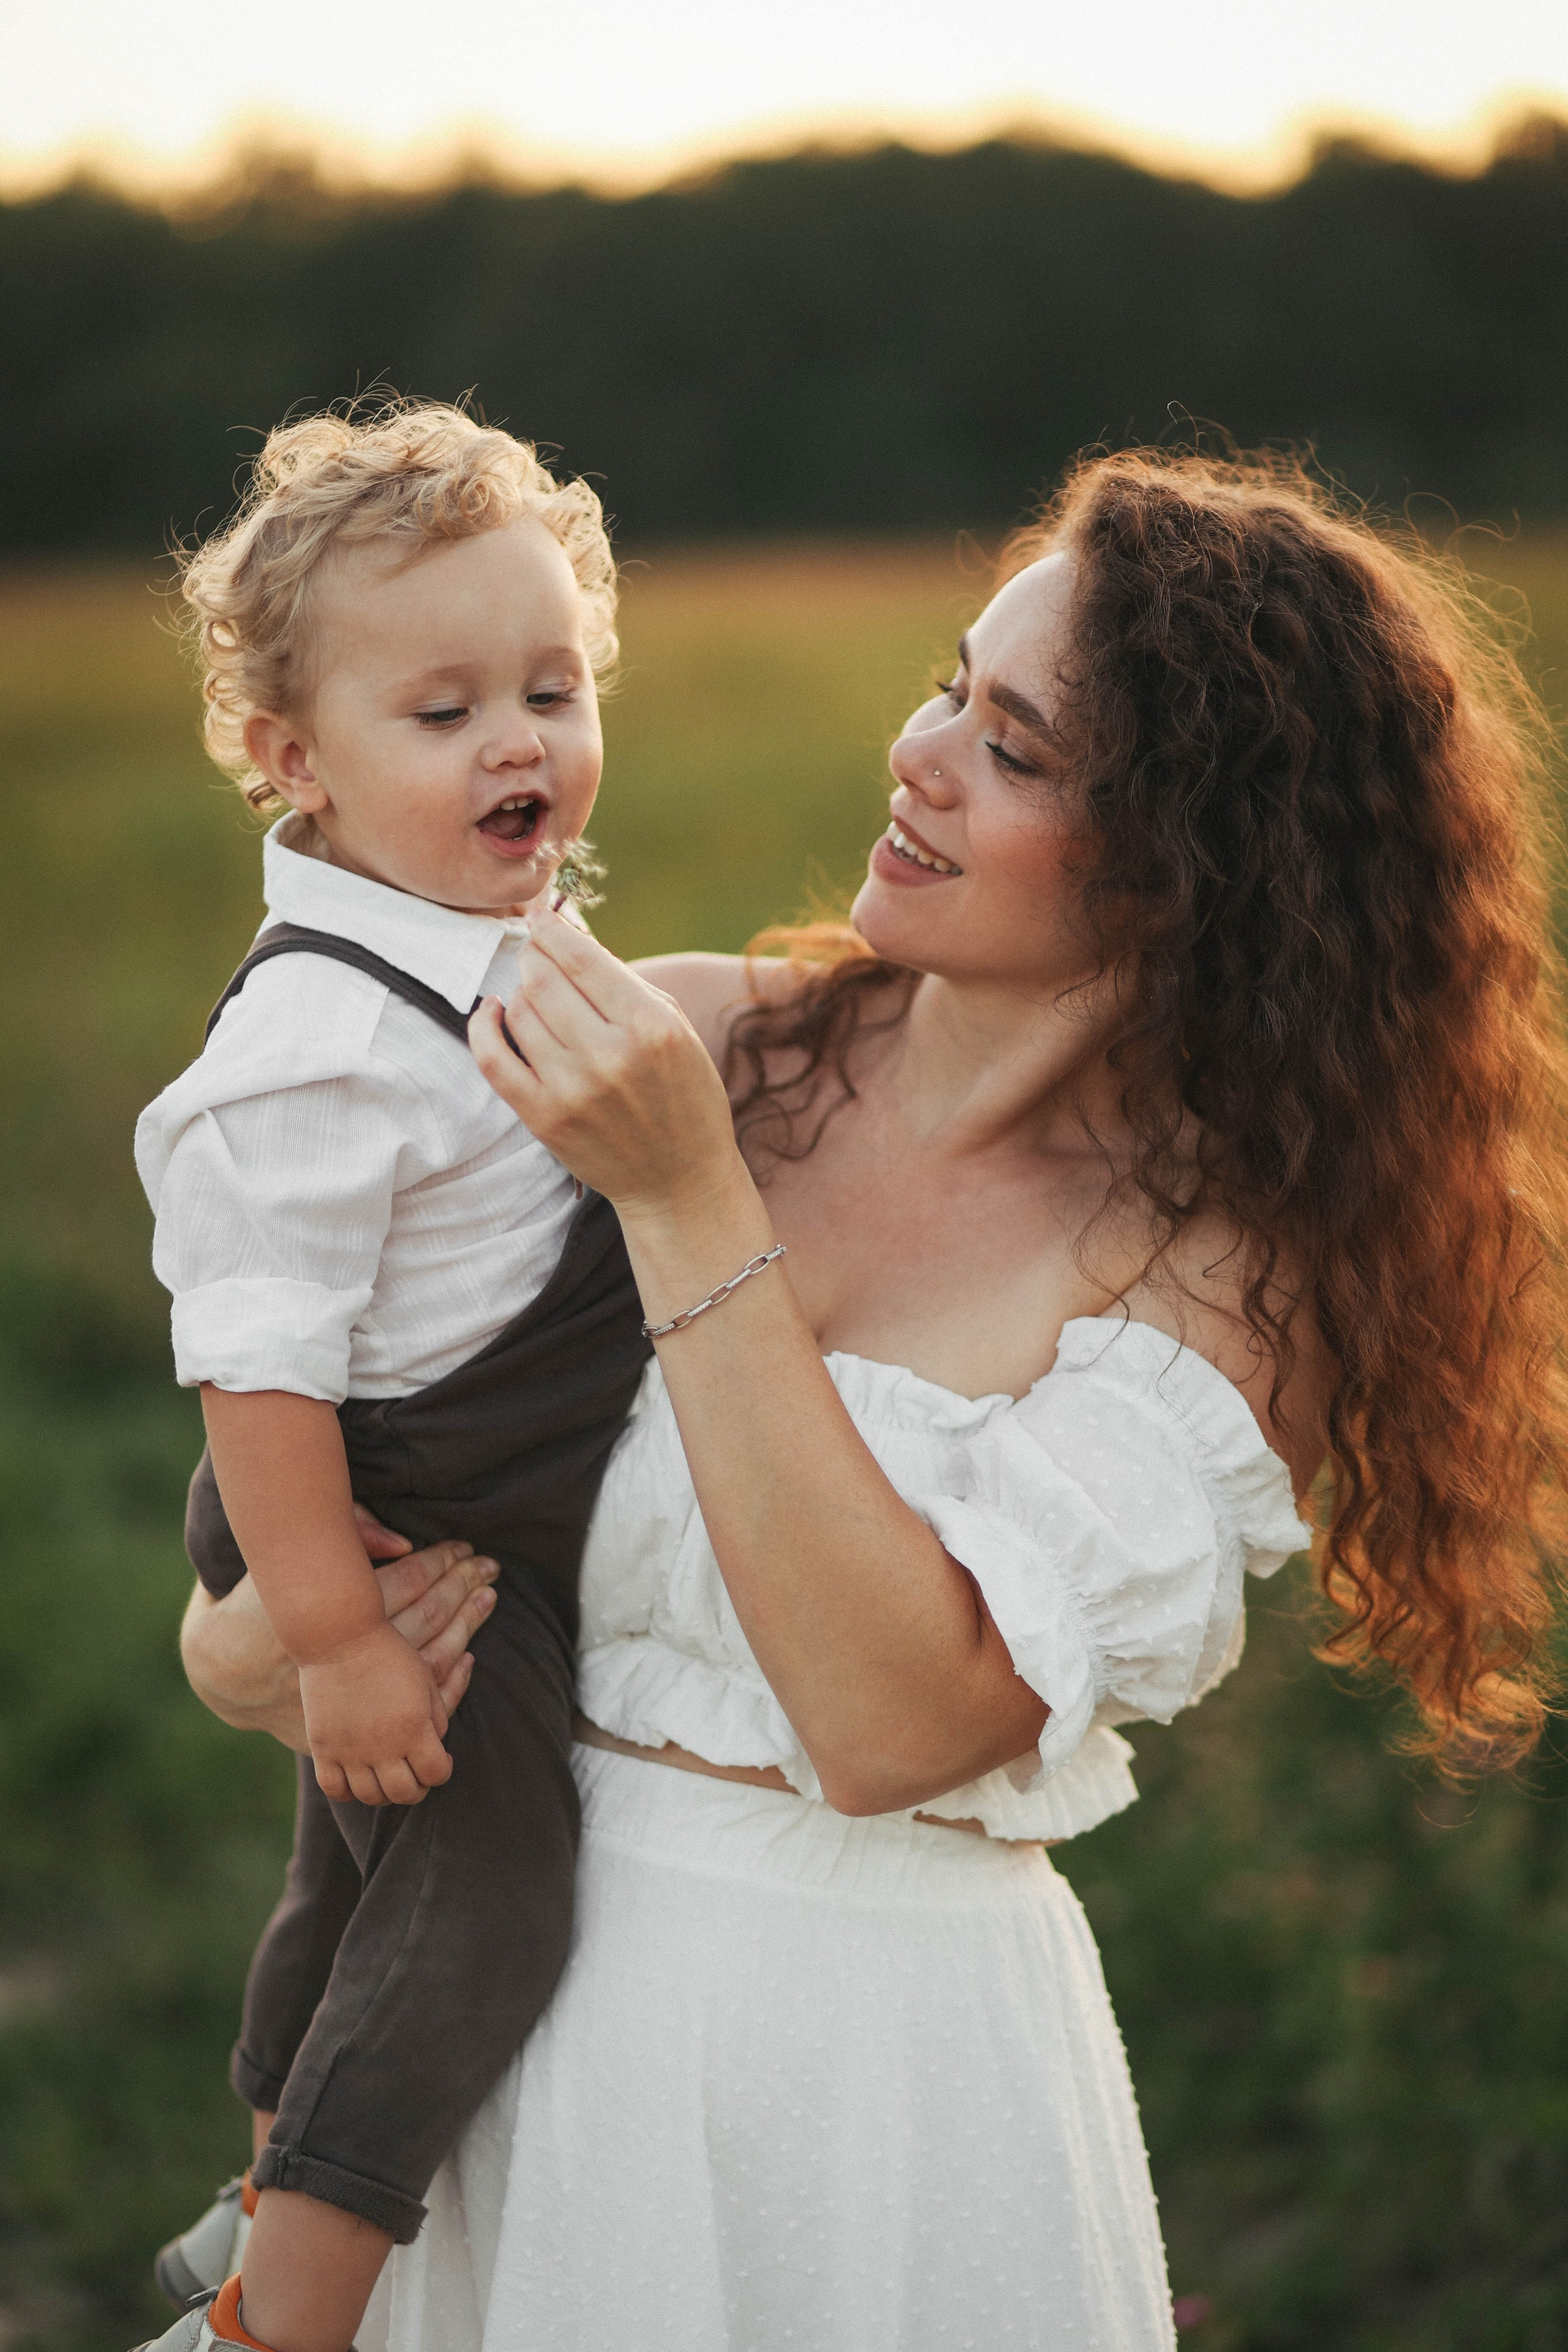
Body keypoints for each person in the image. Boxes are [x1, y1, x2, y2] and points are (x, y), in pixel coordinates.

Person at [176, 449, 1568, 2352]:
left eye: (1013, 747)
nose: (918, 756)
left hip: (857, 2091)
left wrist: (686, 1204)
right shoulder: (680, 1036)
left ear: (1189, 855)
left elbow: (892, 1719)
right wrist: (251, 1648)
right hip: (472, 2068)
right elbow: (308, 1375)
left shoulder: (1218, 1279)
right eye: (948, 685)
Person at [131, 404, 649, 2352]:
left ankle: (261, 2183)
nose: (522, 741)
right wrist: (338, 1635)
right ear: (295, 765)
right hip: (379, 1504)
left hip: (437, 1475)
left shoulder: (484, 930)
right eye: (444, 715)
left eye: (551, 686)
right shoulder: (320, 1046)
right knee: (483, 1895)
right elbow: (255, 1380)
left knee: (355, 1883)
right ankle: (283, 2320)